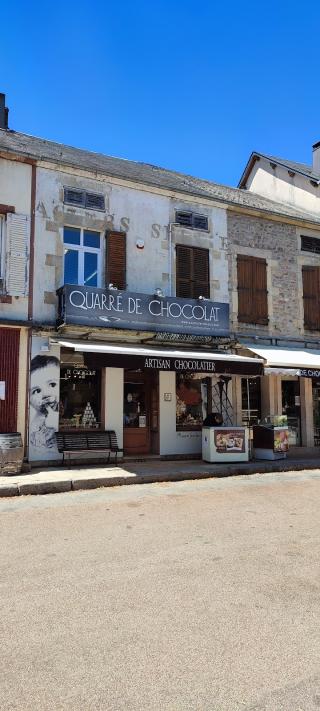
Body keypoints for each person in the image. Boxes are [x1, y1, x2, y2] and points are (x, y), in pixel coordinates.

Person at [29, 355, 60, 451]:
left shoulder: (62, 412)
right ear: (29, 400)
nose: (45, 394)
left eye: (52, 384)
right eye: (37, 391)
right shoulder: (33, 427)